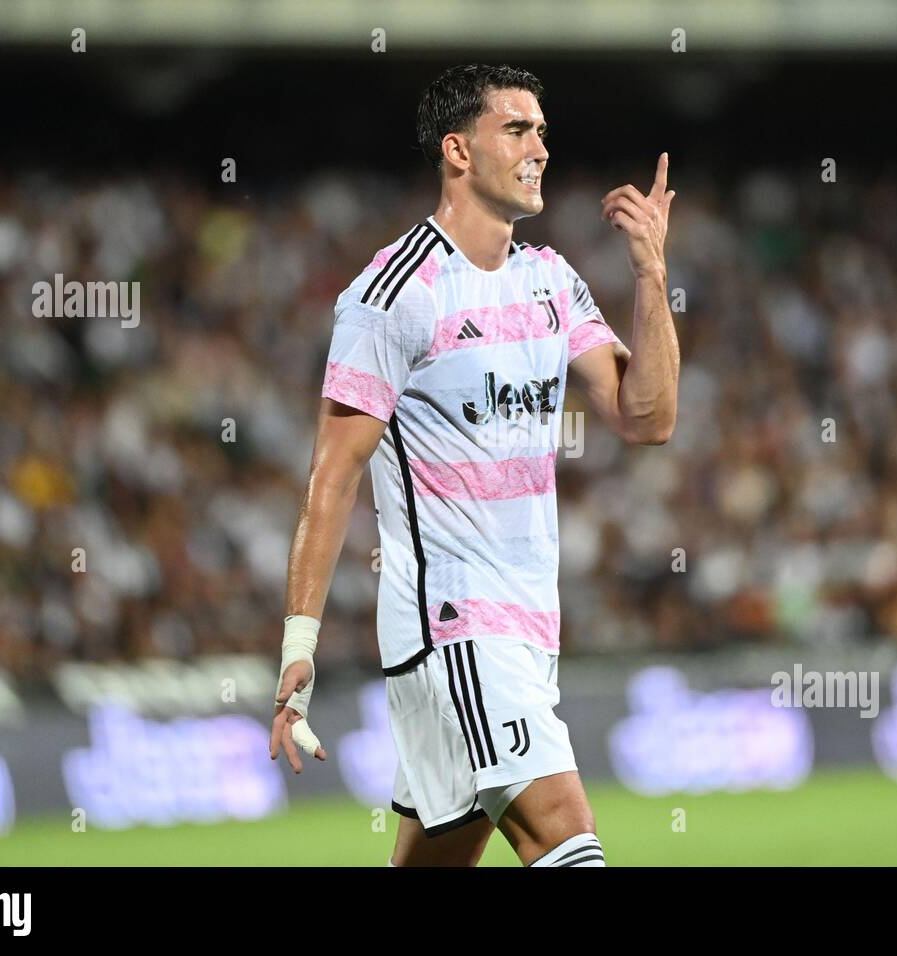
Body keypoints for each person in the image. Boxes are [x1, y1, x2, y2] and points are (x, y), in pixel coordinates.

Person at [268, 63, 679, 866]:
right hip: (454, 626)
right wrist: (298, 643)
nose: (540, 149)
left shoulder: (549, 282)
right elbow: (334, 475)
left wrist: (652, 275)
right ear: (458, 151)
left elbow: (648, 417)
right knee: (564, 829)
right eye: (517, 130)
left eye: (543, 132)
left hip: (528, 629)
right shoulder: (394, 294)